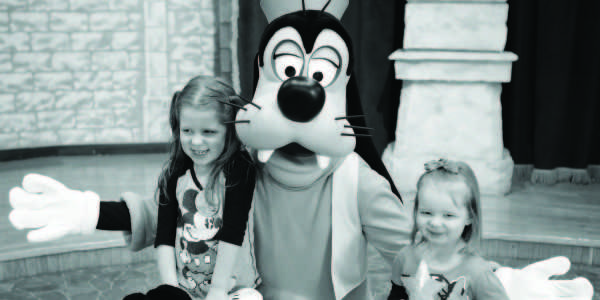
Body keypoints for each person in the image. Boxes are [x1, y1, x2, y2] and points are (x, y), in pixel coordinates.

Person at [141, 76, 260, 300]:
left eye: (208, 132)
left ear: (230, 131)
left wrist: (217, 291)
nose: (196, 142)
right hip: (186, 289)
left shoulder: (239, 170)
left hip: (232, 288)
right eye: (188, 131)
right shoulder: (175, 172)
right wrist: (171, 289)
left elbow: (233, 232)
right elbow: (164, 235)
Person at [388, 159, 509, 300]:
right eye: (426, 213)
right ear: (415, 211)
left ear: (470, 216)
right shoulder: (405, 258)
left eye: (448, 215)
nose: (435, 223)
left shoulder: (478, 272)